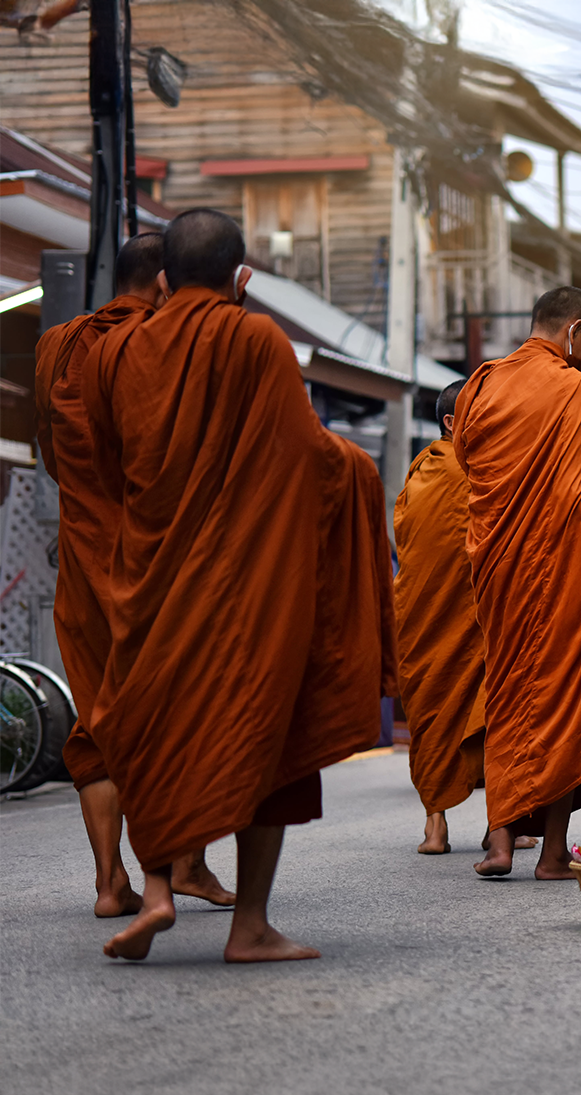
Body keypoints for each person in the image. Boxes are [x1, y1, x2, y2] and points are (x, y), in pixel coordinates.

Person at [83, 208, 397, 961]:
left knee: (153, 729)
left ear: (163, 278)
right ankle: (249, 927)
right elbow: (303, 455)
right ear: (239, 275)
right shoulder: (254, 337)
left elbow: (102, 465)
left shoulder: (117, 351)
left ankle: (155, 893)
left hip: (148, 582)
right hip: (242, 584)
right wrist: (359, 470)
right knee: (269, 741)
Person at [33, 233, 234, 918]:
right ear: (163, 287)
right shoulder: (156, 349)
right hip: (152, 563)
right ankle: (186, 864)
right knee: (176, 714)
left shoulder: (56, 347)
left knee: (98, 720)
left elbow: (51, 452)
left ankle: (109, 882)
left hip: (83, 566)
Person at [454, 285, 581, 880]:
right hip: (562, 571)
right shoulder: (573, 389)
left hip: (499, 565)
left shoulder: (481, 383)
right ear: (574, 329)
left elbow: (470, 462)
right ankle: (550, 854)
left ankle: (498, 844)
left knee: (507, 691)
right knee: (566, 701)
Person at [394, 380, 487, 855]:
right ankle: (501, 824)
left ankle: (437, 825)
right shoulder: (470, 472)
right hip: (461, 613)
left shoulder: (419, 475)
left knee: (437, 714)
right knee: (493, 714)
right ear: (452, 423)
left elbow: (405, 539)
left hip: (430, 615)